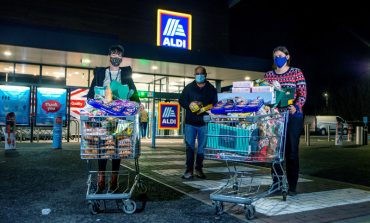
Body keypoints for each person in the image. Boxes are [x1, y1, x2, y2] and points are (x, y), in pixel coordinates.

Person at [87, 44, 140, 192]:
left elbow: (133, 92)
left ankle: (114, 181)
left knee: (117, 148)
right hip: (103, 117)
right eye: (114, 55)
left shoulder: (126, 74)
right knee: (103, 147)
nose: (116, 57)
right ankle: (101, 180)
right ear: (109, 56)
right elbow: (91, 95)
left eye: (119, 55)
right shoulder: (100, 74)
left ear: (122, 58)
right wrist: (97, 101)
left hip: (120, 118)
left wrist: (137, 104)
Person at [264, 46, 307, 196]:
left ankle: (292, 186)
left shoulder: (296, 72)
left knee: (291, 151)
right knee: (275, 151)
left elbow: (302, 93)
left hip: (292, 116)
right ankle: (276, 183)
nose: (278, 59)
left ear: (288, 57)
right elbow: (265, 95)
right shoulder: (269, 75)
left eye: (281, 56)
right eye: (275, 56)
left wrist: (296, 106)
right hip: (275, 117)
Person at [179, 66, 218, 179]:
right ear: (194, 75)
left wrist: (204, 108)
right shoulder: (189, 87)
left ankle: (198, 169)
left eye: (201, 74)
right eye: (197, 73)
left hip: (204, 123)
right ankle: (189, 170)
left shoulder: (211, 89)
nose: (199, 75)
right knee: (189, 147)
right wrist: (189, 105)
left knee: (202, 148)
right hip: (190, 122)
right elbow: (181, 100)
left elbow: (215, 104)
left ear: (205, 75)